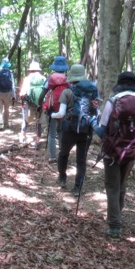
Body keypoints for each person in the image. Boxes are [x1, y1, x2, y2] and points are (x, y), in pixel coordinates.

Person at [91, 71, 135, 239]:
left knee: (112, 186)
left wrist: (92, 122)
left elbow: (102, 129)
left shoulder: (113, 102)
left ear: (119, 86)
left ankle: (114, 226)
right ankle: (116, 217)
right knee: (121, 184)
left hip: (111, 151)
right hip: (132, 151)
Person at [50, 63, 99, 196]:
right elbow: (96, 112)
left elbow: (60, 114)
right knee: (81, 160)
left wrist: (51, 115)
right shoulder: (92, 91)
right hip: (86, 130)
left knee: (63, 154)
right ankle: (78, 187)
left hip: (69, 129)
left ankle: (62, 178)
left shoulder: (67, 91)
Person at [37, 56, 70, 163]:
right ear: (64, 67)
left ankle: (52, 156)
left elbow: (42, 94)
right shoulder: (67, 79)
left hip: (51, 108)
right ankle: (62, 154)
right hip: (63, 108)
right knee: (61, 131)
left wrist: (40, 104)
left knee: (51, 133)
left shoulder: (50, 79)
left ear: (54, 67)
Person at [18, 61, 46, 147]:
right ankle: (37, 141)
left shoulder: (27, 79)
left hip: (29, 104)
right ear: (38, 70)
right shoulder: (43, 78)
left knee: (26, 120)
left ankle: (22, 136)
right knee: (39, 122)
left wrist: (22, 102)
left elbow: (22, 93)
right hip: (41, 104)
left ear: (31, 70)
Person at [0, 58, 16, 131]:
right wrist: (14, 95)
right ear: (8, 65)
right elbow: (13, 85)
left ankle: (0, 124)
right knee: (6, 109)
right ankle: (6, 123)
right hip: (8, 93)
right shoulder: (10, 73)